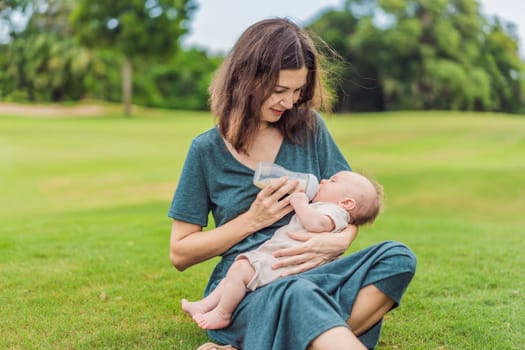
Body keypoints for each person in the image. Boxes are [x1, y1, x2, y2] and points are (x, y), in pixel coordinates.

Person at [168, 17, 417, 350]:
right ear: (245, 78)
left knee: (397, 258)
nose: (289, 102)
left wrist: (338, 242)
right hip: (250, 285)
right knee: (297, 294)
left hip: (316, 273)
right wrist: (252, 221)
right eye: (280, 90)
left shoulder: (310, 129)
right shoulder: (206, 151)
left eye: (298, 91)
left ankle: (266, 340)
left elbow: (349, 210)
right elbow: (180, 252)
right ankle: (311, 331)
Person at [181, 170, 384, 331]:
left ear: (346, 203)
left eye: (332, 181)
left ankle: (223, 314)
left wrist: (300, 203)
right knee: (234, 274)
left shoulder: (335, 213)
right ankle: (206, 304)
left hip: (283, 263)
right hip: (274, 257)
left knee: (239, 271)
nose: (323, 181)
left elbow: (317, 225)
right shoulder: (328, 207)